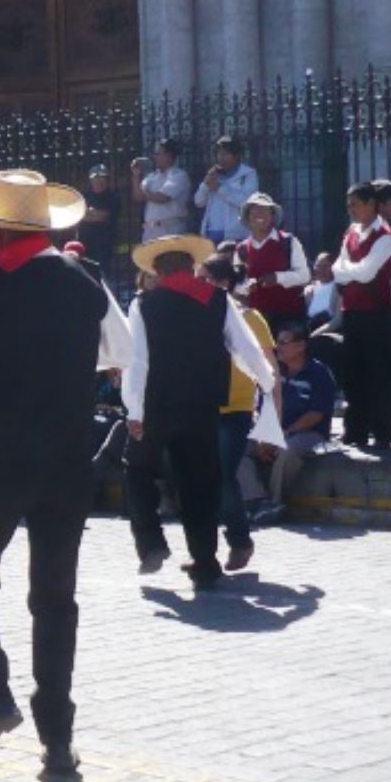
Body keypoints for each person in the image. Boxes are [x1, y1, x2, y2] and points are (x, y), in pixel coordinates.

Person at [0, 170, 134, 775]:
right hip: (68, 460)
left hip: (0, 457)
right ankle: (58, 738)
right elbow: (119, 353)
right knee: (55, 599)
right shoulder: (86, 278)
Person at [121, 237, 276, 589]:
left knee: (137, 469)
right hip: (205, 405)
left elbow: (137, 362)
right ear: (192, 267)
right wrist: (265, 383)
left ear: (157, 271)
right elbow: (246, 348)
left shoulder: (144, 304)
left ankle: (151, 543)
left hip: (158, 405)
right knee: (199, 483)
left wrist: (134, 409)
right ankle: (205, 563)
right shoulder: (219, 300)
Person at [196, 254, 276, 572]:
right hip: (203, 404)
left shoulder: (251, 317)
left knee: (223, 475)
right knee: (203, 477)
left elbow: (270, 369)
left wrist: (273, 419)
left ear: (224, 283)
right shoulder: (194, 316)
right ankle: (206, 551)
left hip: (237, 405)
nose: (199, 284)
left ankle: (239, 540)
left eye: (206, 278)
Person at [331, 182, 391, 449]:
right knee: (354, 375)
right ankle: (355, 430)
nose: (351, 210)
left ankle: (383, 432)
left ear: (371, 204)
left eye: (356, 204)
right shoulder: (351, 232)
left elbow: (367, 273)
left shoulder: (384, 236)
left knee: (379, 375)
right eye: (349, 205)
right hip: (353, 313)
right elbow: (338, 269)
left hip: (376, 315)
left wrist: (350, 270)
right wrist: (351, 270)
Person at [252, 321, 338, 525]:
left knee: (288, 451)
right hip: (274, 429)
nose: (277, 347)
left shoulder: (319, 374)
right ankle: (252, 500)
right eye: (276, 341)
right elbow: (261, 406)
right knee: (240, 448)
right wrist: (264, 437)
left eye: (283, 342)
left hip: (308, 433)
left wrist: (283, 434)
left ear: (301, 346)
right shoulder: (274, 371)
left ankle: (274, 502)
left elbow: (316, 414)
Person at [239, 193, 311, 336]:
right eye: (254, 210)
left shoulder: (289, 242)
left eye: (265, 210)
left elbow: (304, 276)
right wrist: (247, 285)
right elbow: (236, 285)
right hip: (257, 321)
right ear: (247, 217)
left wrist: (278, 278)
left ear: (272, 217)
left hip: (289, 319)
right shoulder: (241, 249)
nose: (259, 214)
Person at [194, 136, 259, 243]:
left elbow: (246, 202)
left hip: (237, 235)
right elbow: (198, 201)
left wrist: (220, 188)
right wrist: (205, 184)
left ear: (237, 156)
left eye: (225, 154)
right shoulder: (215, 174)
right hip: (212, 234)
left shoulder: (248, 174)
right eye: (219, 154)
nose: (221, 158)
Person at [131, 139, 191, 242]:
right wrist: (136, 176)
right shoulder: (152, 176)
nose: (155, 157)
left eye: (158, 154)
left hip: (170, 229)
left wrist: (145, 193)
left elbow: (162, 197)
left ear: (169, 155)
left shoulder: (179, 175)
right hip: (151, 230)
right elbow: (138, 197)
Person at [78, 166, 120, 271]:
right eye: (95, 178)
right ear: (90, 180)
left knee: (102, 274)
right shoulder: (85, 196)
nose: (98, 181)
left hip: (103, 245)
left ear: (107, 179)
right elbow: (78, 214)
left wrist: (88, 214)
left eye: (102, 177)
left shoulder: (113, 197)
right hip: (85, 243)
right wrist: (91, 214)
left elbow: (102, 216)